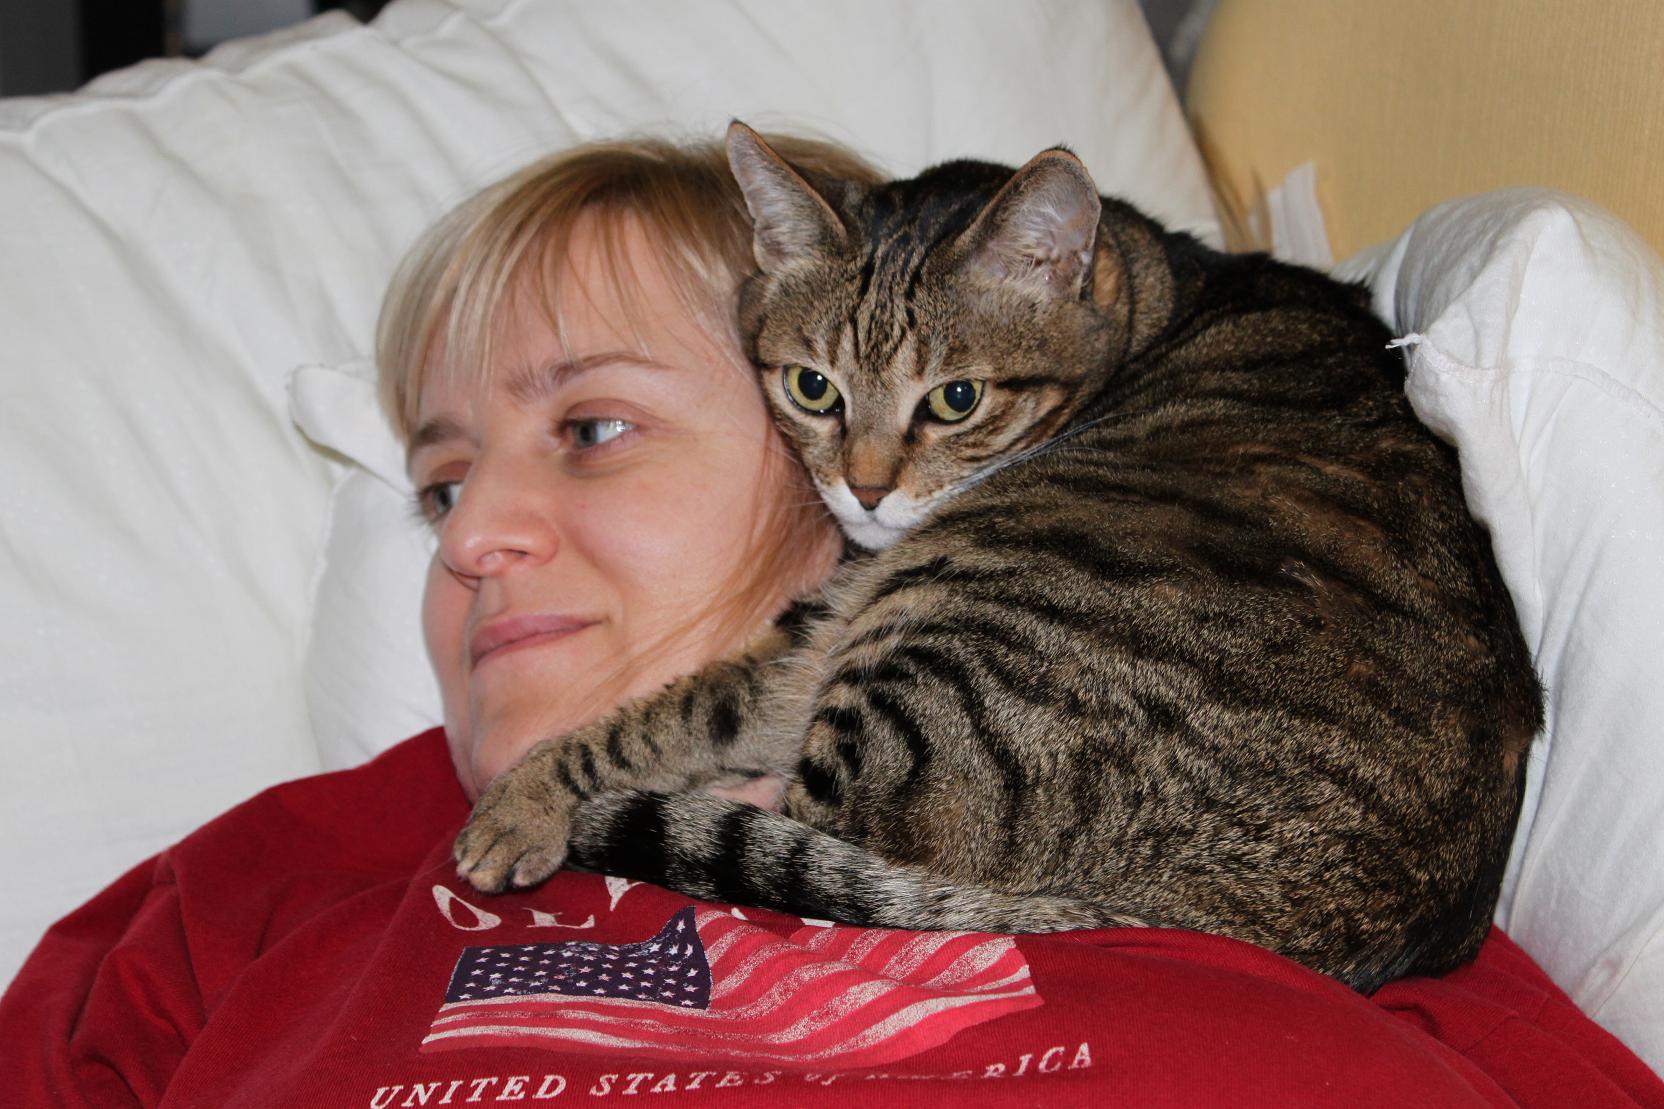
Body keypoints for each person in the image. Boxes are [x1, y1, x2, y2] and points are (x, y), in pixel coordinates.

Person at [0, 134, 1659, 1109]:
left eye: (592, 426)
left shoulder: (1365, 904)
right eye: (436, 488)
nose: (476, 535)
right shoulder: (251, 891)